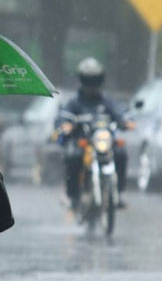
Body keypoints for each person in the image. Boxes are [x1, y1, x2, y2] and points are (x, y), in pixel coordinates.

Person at [54, 57, 130, 210]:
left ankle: (119, 193)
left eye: (95, 79)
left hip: (104, 142)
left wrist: (126, 121)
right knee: (73, 156)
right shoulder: (75, 102)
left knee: (121, 153)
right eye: (89, 79)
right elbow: (64, 117)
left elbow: (120, 112)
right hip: (83, 142)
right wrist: (66, 125)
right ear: (82, 79)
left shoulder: (106, 100)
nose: (92, 83)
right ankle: (73, 196)